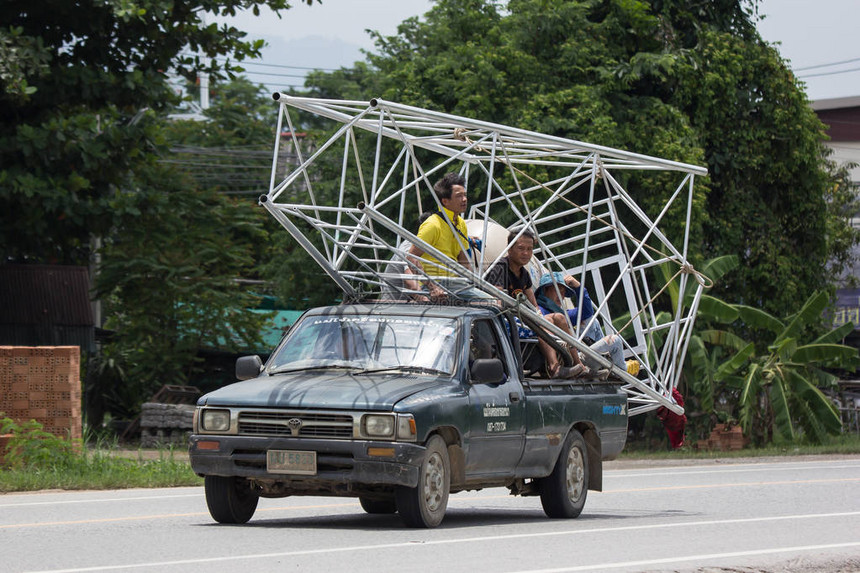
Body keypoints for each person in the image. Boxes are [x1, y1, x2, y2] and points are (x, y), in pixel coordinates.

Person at [485, 229, 585, 378]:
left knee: (559, 317)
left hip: (519, 319)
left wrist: (538, 314)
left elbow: (534, 306)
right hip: (501, 321)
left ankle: (579, 365)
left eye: (529, 249)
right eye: (521, 248)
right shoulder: (500, 267)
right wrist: (535, 317)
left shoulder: (523, 273)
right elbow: (497, 301)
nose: (525, 253)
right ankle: (554, 367)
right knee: (540, 323)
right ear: (510, 248)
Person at [534, 271, 632, 373]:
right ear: (545, 290)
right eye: (557, 291)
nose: (561, 296)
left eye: (563, 292)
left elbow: (587, 312)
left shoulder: (560, 314)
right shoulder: (541, 312)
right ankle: (621, 372)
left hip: (577, 354)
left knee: (592, 321)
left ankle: (610, 363)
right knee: (614, 340)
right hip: (571, 359)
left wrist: (578, 287)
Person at [403, 173, 479, 301]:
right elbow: (411, 258)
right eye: (459, 196)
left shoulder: (461, 223)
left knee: (494, 302)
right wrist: (433, 287)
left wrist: (472, 283)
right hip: (437, 285)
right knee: (489, 304)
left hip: (456, 285)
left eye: (465, 195)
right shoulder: (432, 225)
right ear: (445, 201)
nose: (464, 199)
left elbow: (464, 260)